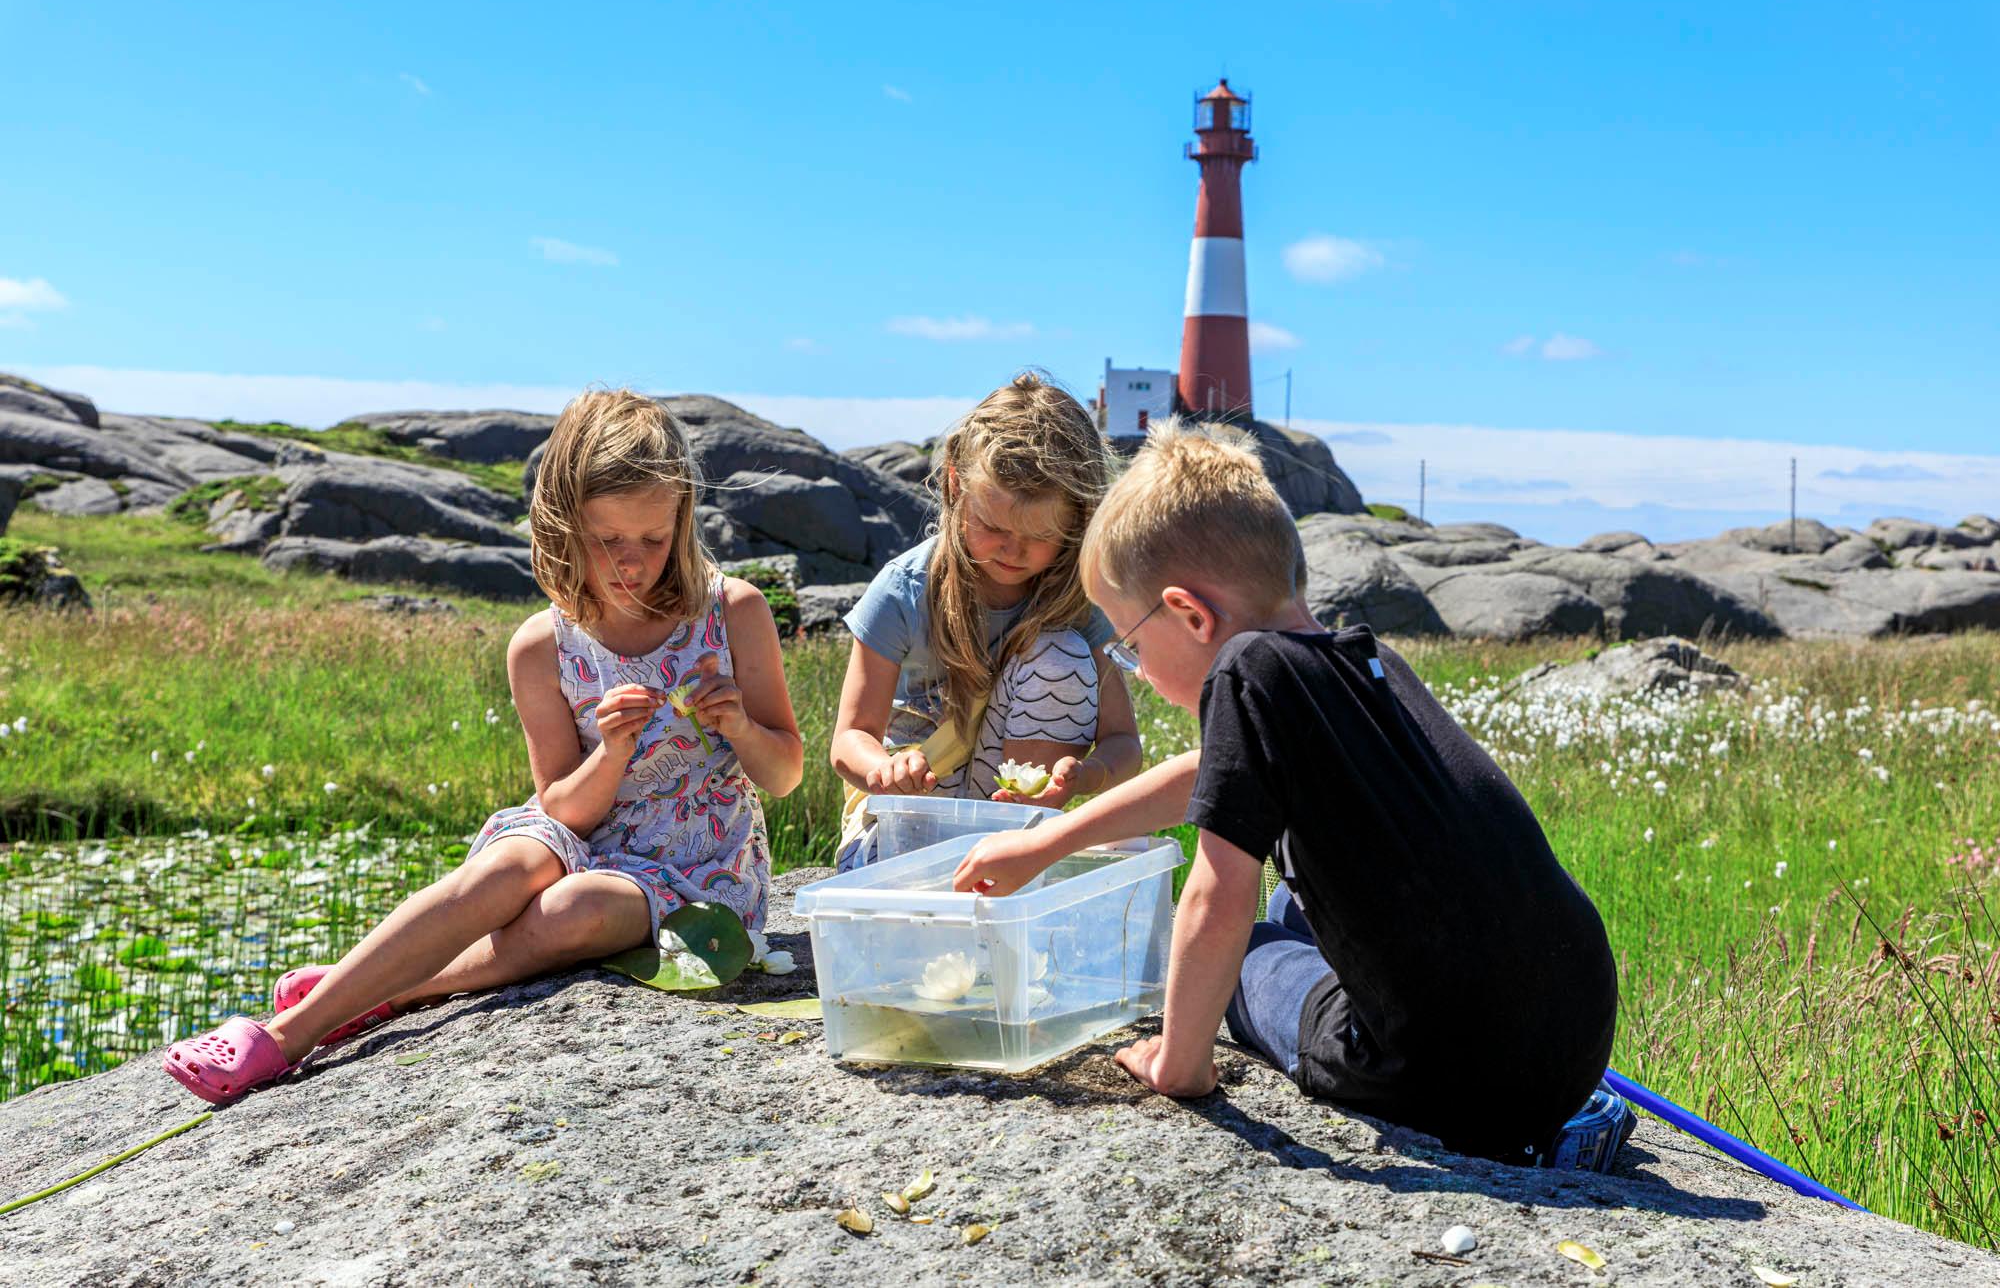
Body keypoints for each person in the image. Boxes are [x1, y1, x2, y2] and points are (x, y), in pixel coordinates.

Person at [953, 420, 1619, 1165]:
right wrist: (1047, 842)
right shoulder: (1367, 661)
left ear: (1190, 615)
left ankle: (1503, 1123)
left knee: (1242, 951)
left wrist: (1181, 1060)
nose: (1134, 668)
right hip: (1578, 1029)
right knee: (1288, 906)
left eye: (1132, 646)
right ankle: (1564, 1120)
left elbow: (1216, 895)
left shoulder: (1243, 669)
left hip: (1444, 1075)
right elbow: (1211, 772)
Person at [164, 389, 803, 1103]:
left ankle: (392, 989)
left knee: (575, 909)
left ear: (682, 521)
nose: (633, 563)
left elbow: (783, 774)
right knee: (500, 873)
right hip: (579, 828)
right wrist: (613, 751)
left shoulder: (731, 612)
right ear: (564, 524)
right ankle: (286, 1032)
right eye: (607, 540)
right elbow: (564, 806)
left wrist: (742, 726)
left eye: (653, 539)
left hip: (694, 867)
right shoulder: (541, 646)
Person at [828, 371, 1142, 869]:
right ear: (956, 484)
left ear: (1079, 517)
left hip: (1006, 822)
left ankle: (1021, 840)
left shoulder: (1078, 599)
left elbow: (1124, 743)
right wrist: (886, 769)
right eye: (994, 526)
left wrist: (1085, 776)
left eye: (1039, 534)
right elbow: (848, 740)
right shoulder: (906, 587)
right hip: (910, 813)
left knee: (1058, 653)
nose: (1013, 551)